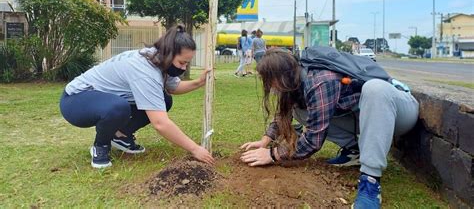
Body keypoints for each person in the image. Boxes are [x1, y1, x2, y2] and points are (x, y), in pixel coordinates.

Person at [240, 48, 419, 208]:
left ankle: (370, 182)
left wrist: (273, 155)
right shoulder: (296, 79)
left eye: (269, 80)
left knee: (375, 89)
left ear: (281, 76)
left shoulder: (319, 81)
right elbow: (284, 113)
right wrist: (265, 140)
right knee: (303, 112)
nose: (270, 87)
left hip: (400, 113)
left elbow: (313, 141)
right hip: (363, 116)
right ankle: (355, 151)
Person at [60, 25, 215, 168]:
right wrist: (195, 149)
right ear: (169, 54)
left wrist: (199, 82)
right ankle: (101, 146)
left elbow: (174, 87)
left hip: (102, 99)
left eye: (187, 63)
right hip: (76, 100)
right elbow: (160, 123)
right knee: (118, 107)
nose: (184, 67)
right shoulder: (144, 71)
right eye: (182, 62)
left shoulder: (157, 58)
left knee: (164, 99)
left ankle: (120, 135)